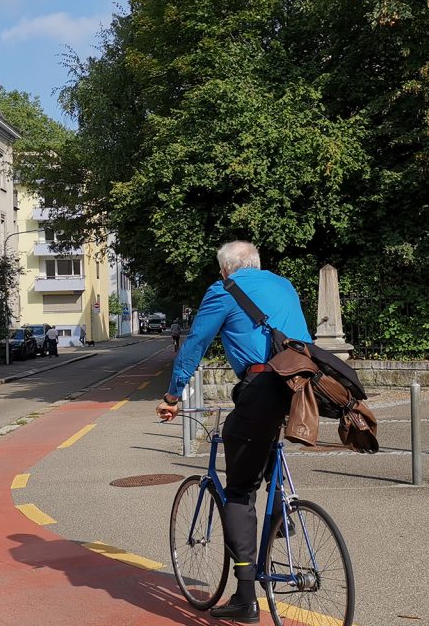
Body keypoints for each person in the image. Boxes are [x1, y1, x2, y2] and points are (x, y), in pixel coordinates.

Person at [155, 240, 311, 623]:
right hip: (302, 386)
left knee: (239, 491)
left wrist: (173, 395)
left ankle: (245, 599)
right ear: (257, 264)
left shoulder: (222, 290)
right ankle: (281, 516)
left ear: (226, 270)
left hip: (260, 389)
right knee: (264, 451)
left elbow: (196, 343)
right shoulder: (285, 284)